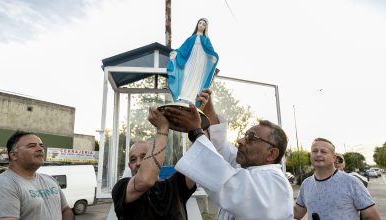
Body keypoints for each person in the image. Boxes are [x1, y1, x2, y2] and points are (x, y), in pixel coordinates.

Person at [163, 89, 294, 220]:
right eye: (245, 135)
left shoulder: (274, 184)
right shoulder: (247, 169)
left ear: (271, 154)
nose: (241, 141)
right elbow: (218, 147)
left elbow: (225, 180)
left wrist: (196, 130)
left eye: (251, 137)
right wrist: (207, 105)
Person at [111, 106, 196, 220]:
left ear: (159, 160)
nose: (138, 163)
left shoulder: (175, 186)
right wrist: (162, 128)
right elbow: (145, 180)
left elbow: (200, 158)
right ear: (129, 166)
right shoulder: (120, 189)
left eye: (145, 156)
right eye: (133, 159)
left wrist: (198, 122)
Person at [294, 138, 381, 220]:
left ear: (333, 158)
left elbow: (371, 216)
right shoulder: (306, 184)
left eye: (323, 151)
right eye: (314, 151)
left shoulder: (351, 182)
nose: (318, 154)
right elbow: (297, 213)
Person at [0, 130, 74, 220]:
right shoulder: (3, 184)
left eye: (41, 146)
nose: (40, 149)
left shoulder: (50, 180)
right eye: (32, 146)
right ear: (14, 155)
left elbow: (65, 210)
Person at [167, 18, 219, 106]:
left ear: (205, 27)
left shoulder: (206, 40)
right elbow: (182, 49)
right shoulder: (191, 39)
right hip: (190, 61)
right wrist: (175, 53)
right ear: (197, 25)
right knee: (186, 76)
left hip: (200, 62)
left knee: (196, 77)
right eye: (200, 23)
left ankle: (192, 98)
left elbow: (211, 51)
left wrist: (213, 57)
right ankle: (183, 96)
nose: (201, 25)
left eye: (203, 24)